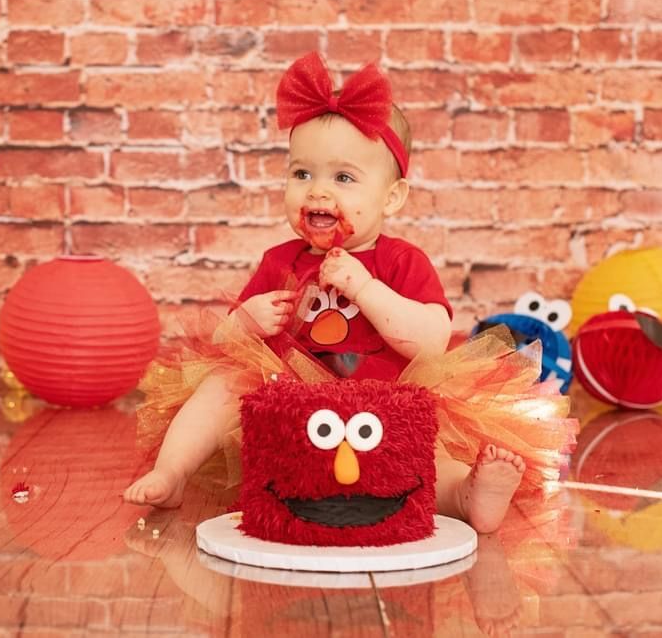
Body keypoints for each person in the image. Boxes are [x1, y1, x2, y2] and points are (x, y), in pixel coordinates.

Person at [125, 52, 575, 534]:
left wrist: (367, 288)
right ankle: (172, 472)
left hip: (386, 403)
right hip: (291, 409)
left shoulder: (402, 262)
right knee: (220, 387)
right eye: (302, 174)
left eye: (343, 178)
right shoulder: (283, 260)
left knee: (425, 442)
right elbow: (226, 342)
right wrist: (248, 321)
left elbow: (430, 340)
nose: (318, 191)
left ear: (392, 197)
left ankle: (464, 494)